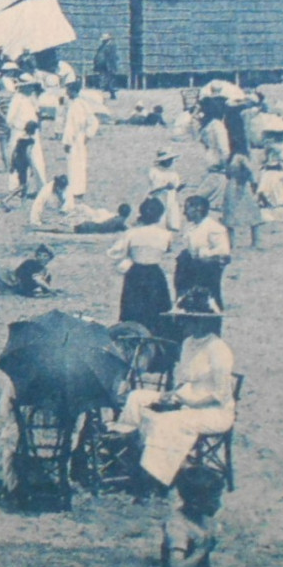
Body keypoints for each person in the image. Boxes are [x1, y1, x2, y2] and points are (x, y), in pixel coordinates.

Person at [114, 288, 235, 488]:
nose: (180, 324)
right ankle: (128, 456)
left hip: (213, 411)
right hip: (186, 401)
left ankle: (155, 477)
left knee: (166, 421)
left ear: (200, 321)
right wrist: (173, 395)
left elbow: (220, 395)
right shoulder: (188, 343)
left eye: (184, 320)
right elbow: (186, 380)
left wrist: (184, 401)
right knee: (136, 397)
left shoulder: (218, 350)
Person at [109, 197, 174, 335]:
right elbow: (168, 249)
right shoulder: (166, 235)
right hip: (155, 273)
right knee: (156, 311)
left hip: (136, 273)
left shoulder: (132, 233)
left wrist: (128, 260)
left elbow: (114, 252)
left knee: (134, 310)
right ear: (160, 215)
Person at [62, 81, 99, 208]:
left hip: (77, 138)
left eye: (68, 90)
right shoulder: (76, 104)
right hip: (78, 137)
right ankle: (76, 189)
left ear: (73, 91)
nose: (66, 93)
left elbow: (73, 127)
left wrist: (87, 135)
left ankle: (77, 190)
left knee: (76, 163)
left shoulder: (80, 105)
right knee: (76, 163)